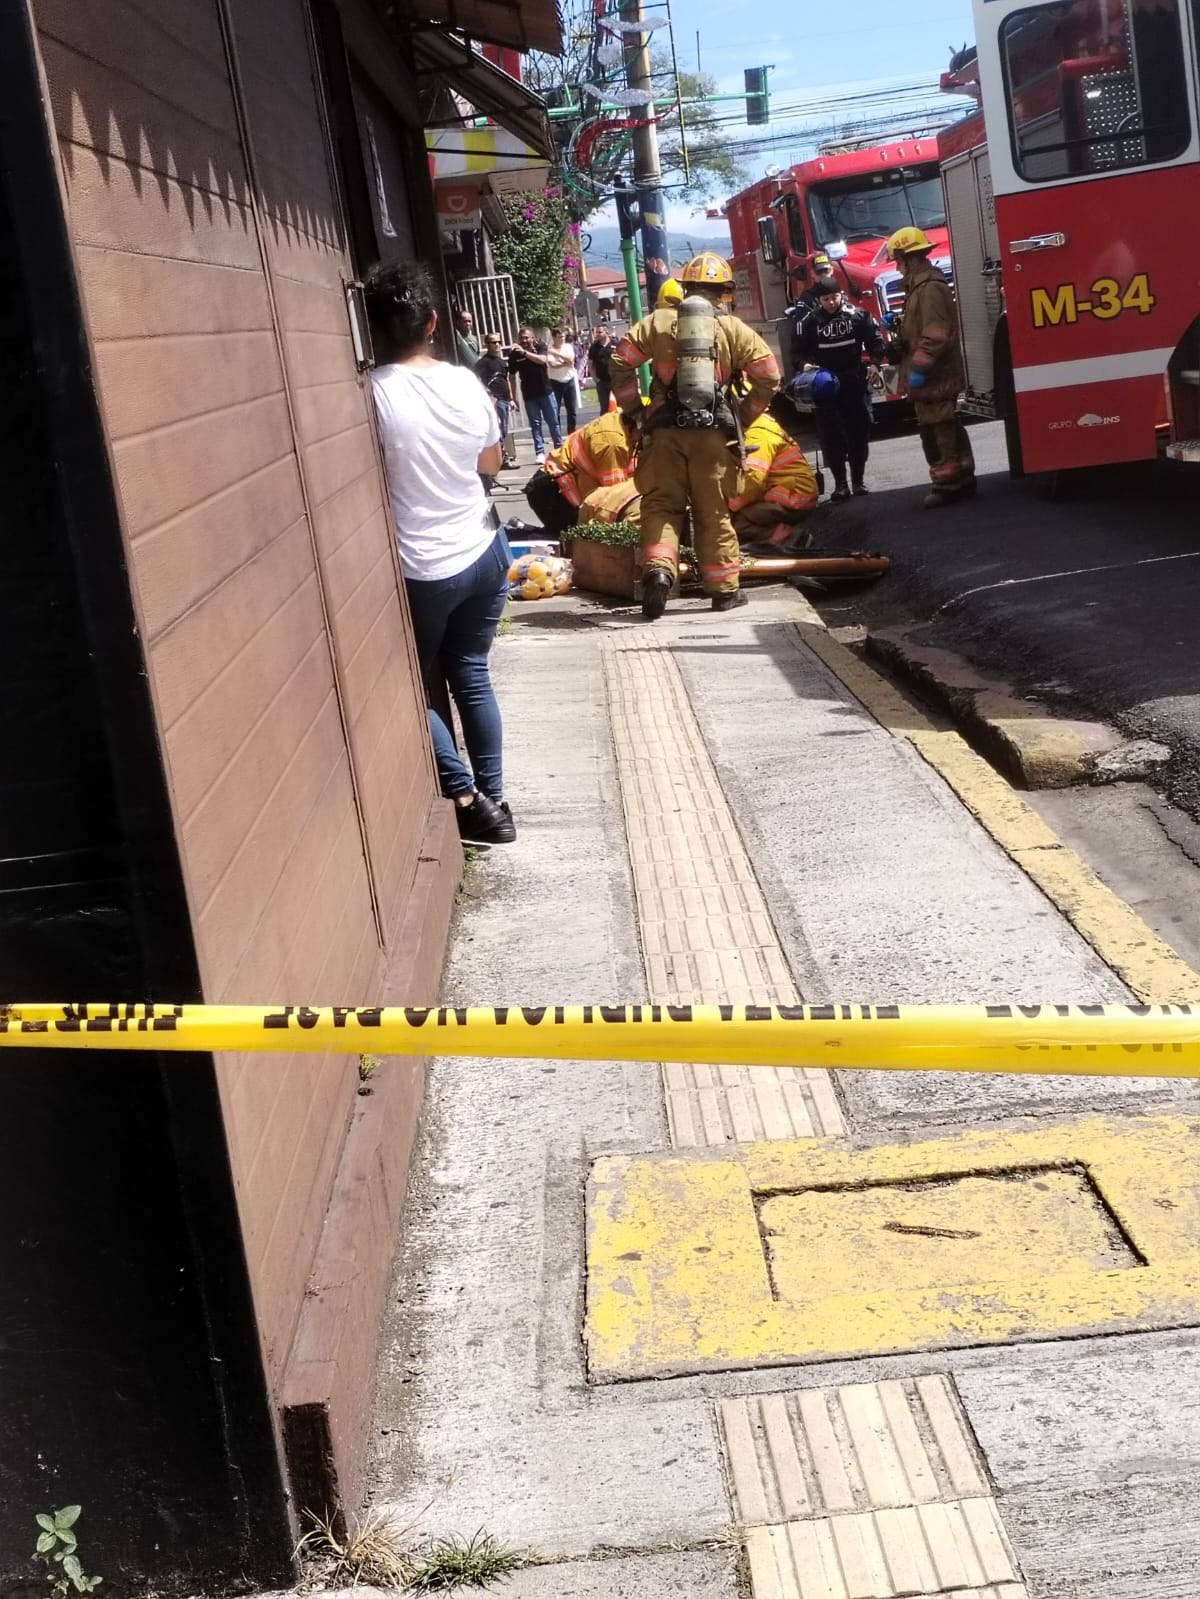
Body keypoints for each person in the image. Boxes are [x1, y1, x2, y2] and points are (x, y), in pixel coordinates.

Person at [365, 261, 515, 846]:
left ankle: (468, 801)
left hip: (424, 567)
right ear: (432, 321)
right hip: (484, 549)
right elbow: (491, 464)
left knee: (412, 682)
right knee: (471, 674)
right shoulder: (464, 383)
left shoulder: (373, 394)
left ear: (373, 328)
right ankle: (496, 795)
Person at [609, 251, 780, 618]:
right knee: (713, 513)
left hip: (663, 434)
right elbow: (769, 376)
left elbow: (619, 362)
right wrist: (744, 418)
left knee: (661, 507)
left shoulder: (657, 323)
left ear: (685, 286)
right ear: (724, 291)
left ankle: (657, 572)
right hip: (714, 437)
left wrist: (635, 411)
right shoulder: (734, 329)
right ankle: (723, 591)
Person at [886, 226, 976, 508]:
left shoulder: (929, 290)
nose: (898, 268)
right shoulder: (919, 289)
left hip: (934, 375)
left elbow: (936, 335)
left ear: (910, 259)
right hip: (930, 373)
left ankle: (948, 485)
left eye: (899, 261)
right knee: (943, 424)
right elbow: (920, 329)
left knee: (938, 429)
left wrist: (918, 369)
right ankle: (961, 477)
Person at [792, 278, 885, 501]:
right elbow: (796, 352)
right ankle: (841, 485)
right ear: (818, 300)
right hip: (824, 384)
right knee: (830, 434)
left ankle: (858, 481)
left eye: (834, 297)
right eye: (826, 299)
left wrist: (874, 363)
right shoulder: (809, 322)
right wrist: (803, 365)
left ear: (841, 294)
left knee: (859, 430)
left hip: (854, 379)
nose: (831, 303)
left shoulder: (858, 316)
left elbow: (875, 341)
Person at [522, 408, 641, 539]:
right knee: (573, 544)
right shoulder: (613, 444)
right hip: (551, 492)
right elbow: (615, 499)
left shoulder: (619, 421)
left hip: (551, 487)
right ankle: (518, 535)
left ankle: (520, 531)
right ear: (638, 425)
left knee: (568, 540)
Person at [729, 401, 820, 552]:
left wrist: (728, 506)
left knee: (732, 523)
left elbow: (752, 479)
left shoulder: (756, 432)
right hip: (789, 492)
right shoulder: (759, 423)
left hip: (793, 496)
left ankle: (794, 540)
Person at [509, 327, 562, 463]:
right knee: (535, 424)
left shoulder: (540, 346)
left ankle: (559, 449)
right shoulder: (515, 354)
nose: (524, 340)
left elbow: (542, 360)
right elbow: (511, 376)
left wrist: (525, 353)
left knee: (553, 422)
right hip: (529, 394)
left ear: (532, 338)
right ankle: (539, 452)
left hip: (545, 391)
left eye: (526, 338)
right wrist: (513, 397)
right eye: (521, 338)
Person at [474, 331, 518, 469]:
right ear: (487, 344)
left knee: (503, 430)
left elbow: (507, 379)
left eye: (499, 342)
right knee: (497, 430)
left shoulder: (500, 361)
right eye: (493, 342)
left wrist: (511, 399)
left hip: (504, 400)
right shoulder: (483, 362)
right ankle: (501, 459)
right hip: (494, 400)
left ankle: (502, 456)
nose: (497, 345)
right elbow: (475, 379)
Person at [546, 326, 578, 434]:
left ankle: (571, 432)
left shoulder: (568, 347)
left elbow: (571, 361)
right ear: (554, 338)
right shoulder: (549, 349)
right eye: (560, 337)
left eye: (563, 336)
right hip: (555, 382)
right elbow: (552, 365)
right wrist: (565, 362)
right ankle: (557, 433)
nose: (562, 339)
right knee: (556, 410)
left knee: (572, 409)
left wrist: (557, 354)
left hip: (569, 380)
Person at [588, 326, 614, 415]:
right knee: (604, 407)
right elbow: (590, 364)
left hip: (616, 380)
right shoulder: (594, 347)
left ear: (606, 332)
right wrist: (595, 378)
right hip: (602, 382)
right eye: (596, 332)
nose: (597, 334)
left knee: (620, 404)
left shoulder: (615, 344)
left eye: (600, 332)